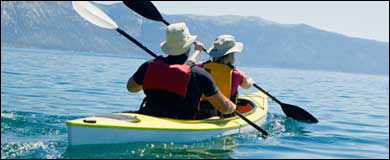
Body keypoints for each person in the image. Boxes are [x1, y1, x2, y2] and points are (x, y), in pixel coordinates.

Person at [126, 22, 236, 120]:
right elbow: (225, 108)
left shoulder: (149, 65)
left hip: (148, 115)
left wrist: (159, 80)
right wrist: (233, 107)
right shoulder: (200, 74)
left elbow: (131, 88)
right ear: (189, 47)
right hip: (181, 123)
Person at [187, 34, 254, 118]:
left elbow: (189, 66)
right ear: (231, 56)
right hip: (227, 112)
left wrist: (197, 51)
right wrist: (251, 81)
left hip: (202, 110)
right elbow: (246, 86)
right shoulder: (236, 73)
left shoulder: (201, 67)